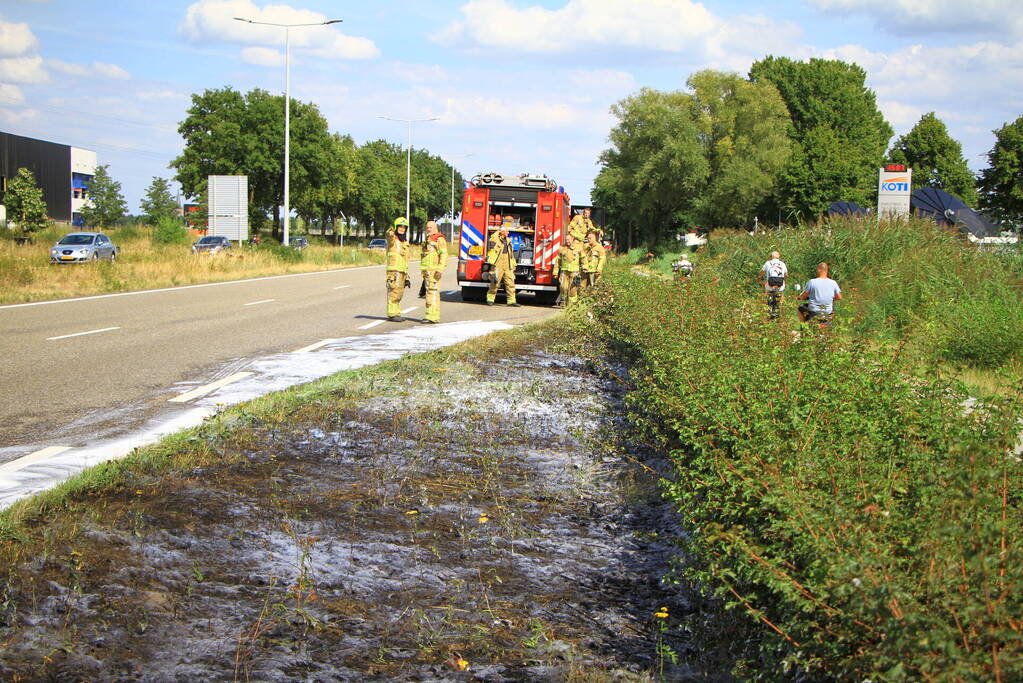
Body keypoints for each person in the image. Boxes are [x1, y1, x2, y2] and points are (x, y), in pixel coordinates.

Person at [420, 220, 447, 323]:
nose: (428, 229)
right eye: (427, 227)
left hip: (434, 271)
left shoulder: (439, 239)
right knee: (429, 292)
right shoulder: (428, 239)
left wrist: (440, 269)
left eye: (430, 227)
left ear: (435, 228)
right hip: (427, 272)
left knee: (433, 292)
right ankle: (430, 315)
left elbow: (443, 254)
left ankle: (433, 317)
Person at [385, 216, 411, 322]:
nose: (402, 228)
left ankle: (396, 312)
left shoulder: (404, 242)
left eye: (404, 227)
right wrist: (390, 232)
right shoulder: (393, 239)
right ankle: (392, 314)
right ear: (396, 227)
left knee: (400, 293)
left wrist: (407, 276)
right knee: (394, 292)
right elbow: (389, 235)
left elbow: (404, 259)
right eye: (400, 226)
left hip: (402, 271)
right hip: (394, 271)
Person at [485, 225, 519, 306]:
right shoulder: (496, 239)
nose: (508, 232)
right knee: (495, 282)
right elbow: (492, 238)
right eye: (506, 231)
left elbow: (511, 254)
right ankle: (490, 299)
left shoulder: (508, 241)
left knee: (510, 283)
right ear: (502, 232)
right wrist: (499, 231)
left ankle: (511, 301)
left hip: (507, 263)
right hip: (498, 263)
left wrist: (513, 264)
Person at [553, 232, 583, 308]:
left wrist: (585, 267)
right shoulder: (562, 248)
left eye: (569, 240)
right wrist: (555, 272)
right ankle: (563, 302)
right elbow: (558, 261)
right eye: (566, 240)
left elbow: (583, 258)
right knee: (563, 287)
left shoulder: (578, 248)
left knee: (573, 289)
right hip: (564, 271)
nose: (567, 241)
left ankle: (572, 305)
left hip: (574, 272)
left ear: (572, 239)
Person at [759, 250, 788, 318]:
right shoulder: (782, 264)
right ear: (778, 256)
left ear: (771, 257)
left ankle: (766, 311)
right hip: (780, 286)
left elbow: (761, 273)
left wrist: (759, 278)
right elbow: (786, 275)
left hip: (769, 285)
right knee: (781, 294)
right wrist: (784, 280)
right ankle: (780, 309)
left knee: (766, 293)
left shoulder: (768, 263)